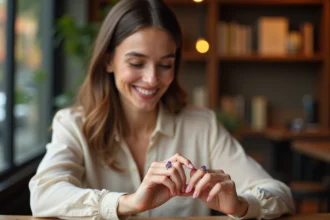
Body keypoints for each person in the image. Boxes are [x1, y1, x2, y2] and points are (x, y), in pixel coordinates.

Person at [29, 0, 294, 219]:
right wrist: (129, 203)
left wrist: (241, 205)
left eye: (165, 65)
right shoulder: (73, 124)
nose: (152, 79)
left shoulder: (201, 125)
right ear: (109, 59)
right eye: (136, 63)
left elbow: (279, 193)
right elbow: (43, 195)